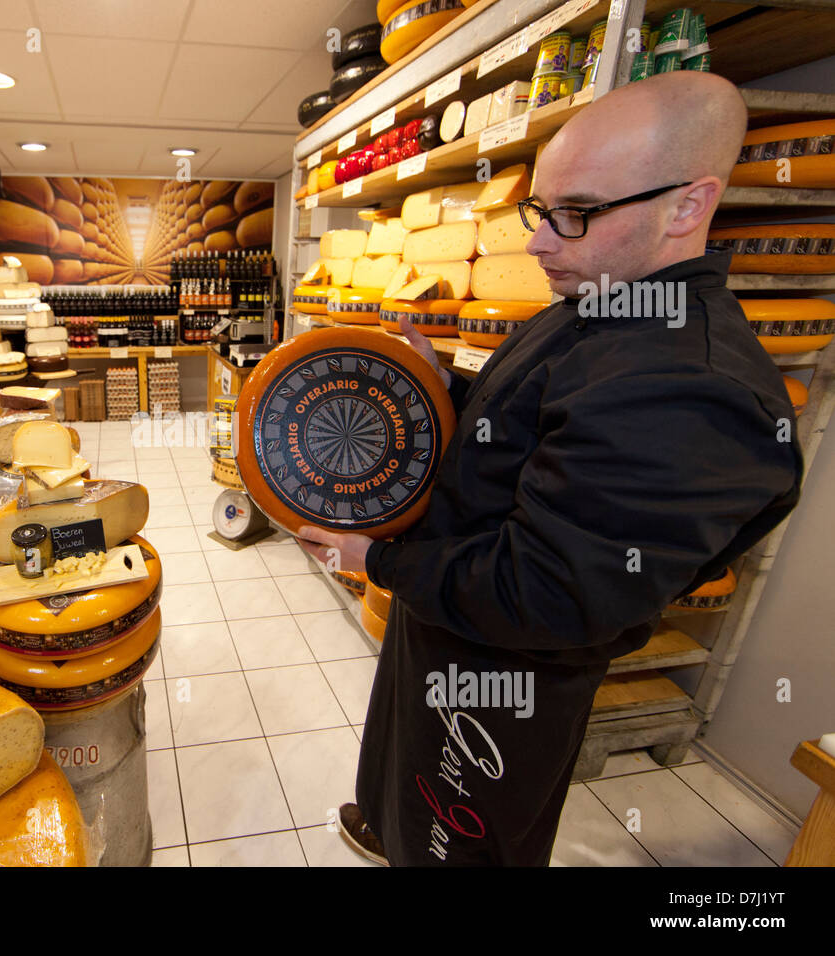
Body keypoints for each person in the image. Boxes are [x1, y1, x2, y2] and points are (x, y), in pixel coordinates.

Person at [298, 71, 804, 866]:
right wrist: (439, 386)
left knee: (460, 836)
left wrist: (380, 560)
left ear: (687, 206)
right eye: (542, 210)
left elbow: (549, 596)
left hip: (506, 668)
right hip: (452, 611)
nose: (537, 241)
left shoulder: (689, 389)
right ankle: (394, 826)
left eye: (574, 215)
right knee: (406, 779)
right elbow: (543, 419)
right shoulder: (606, 299)